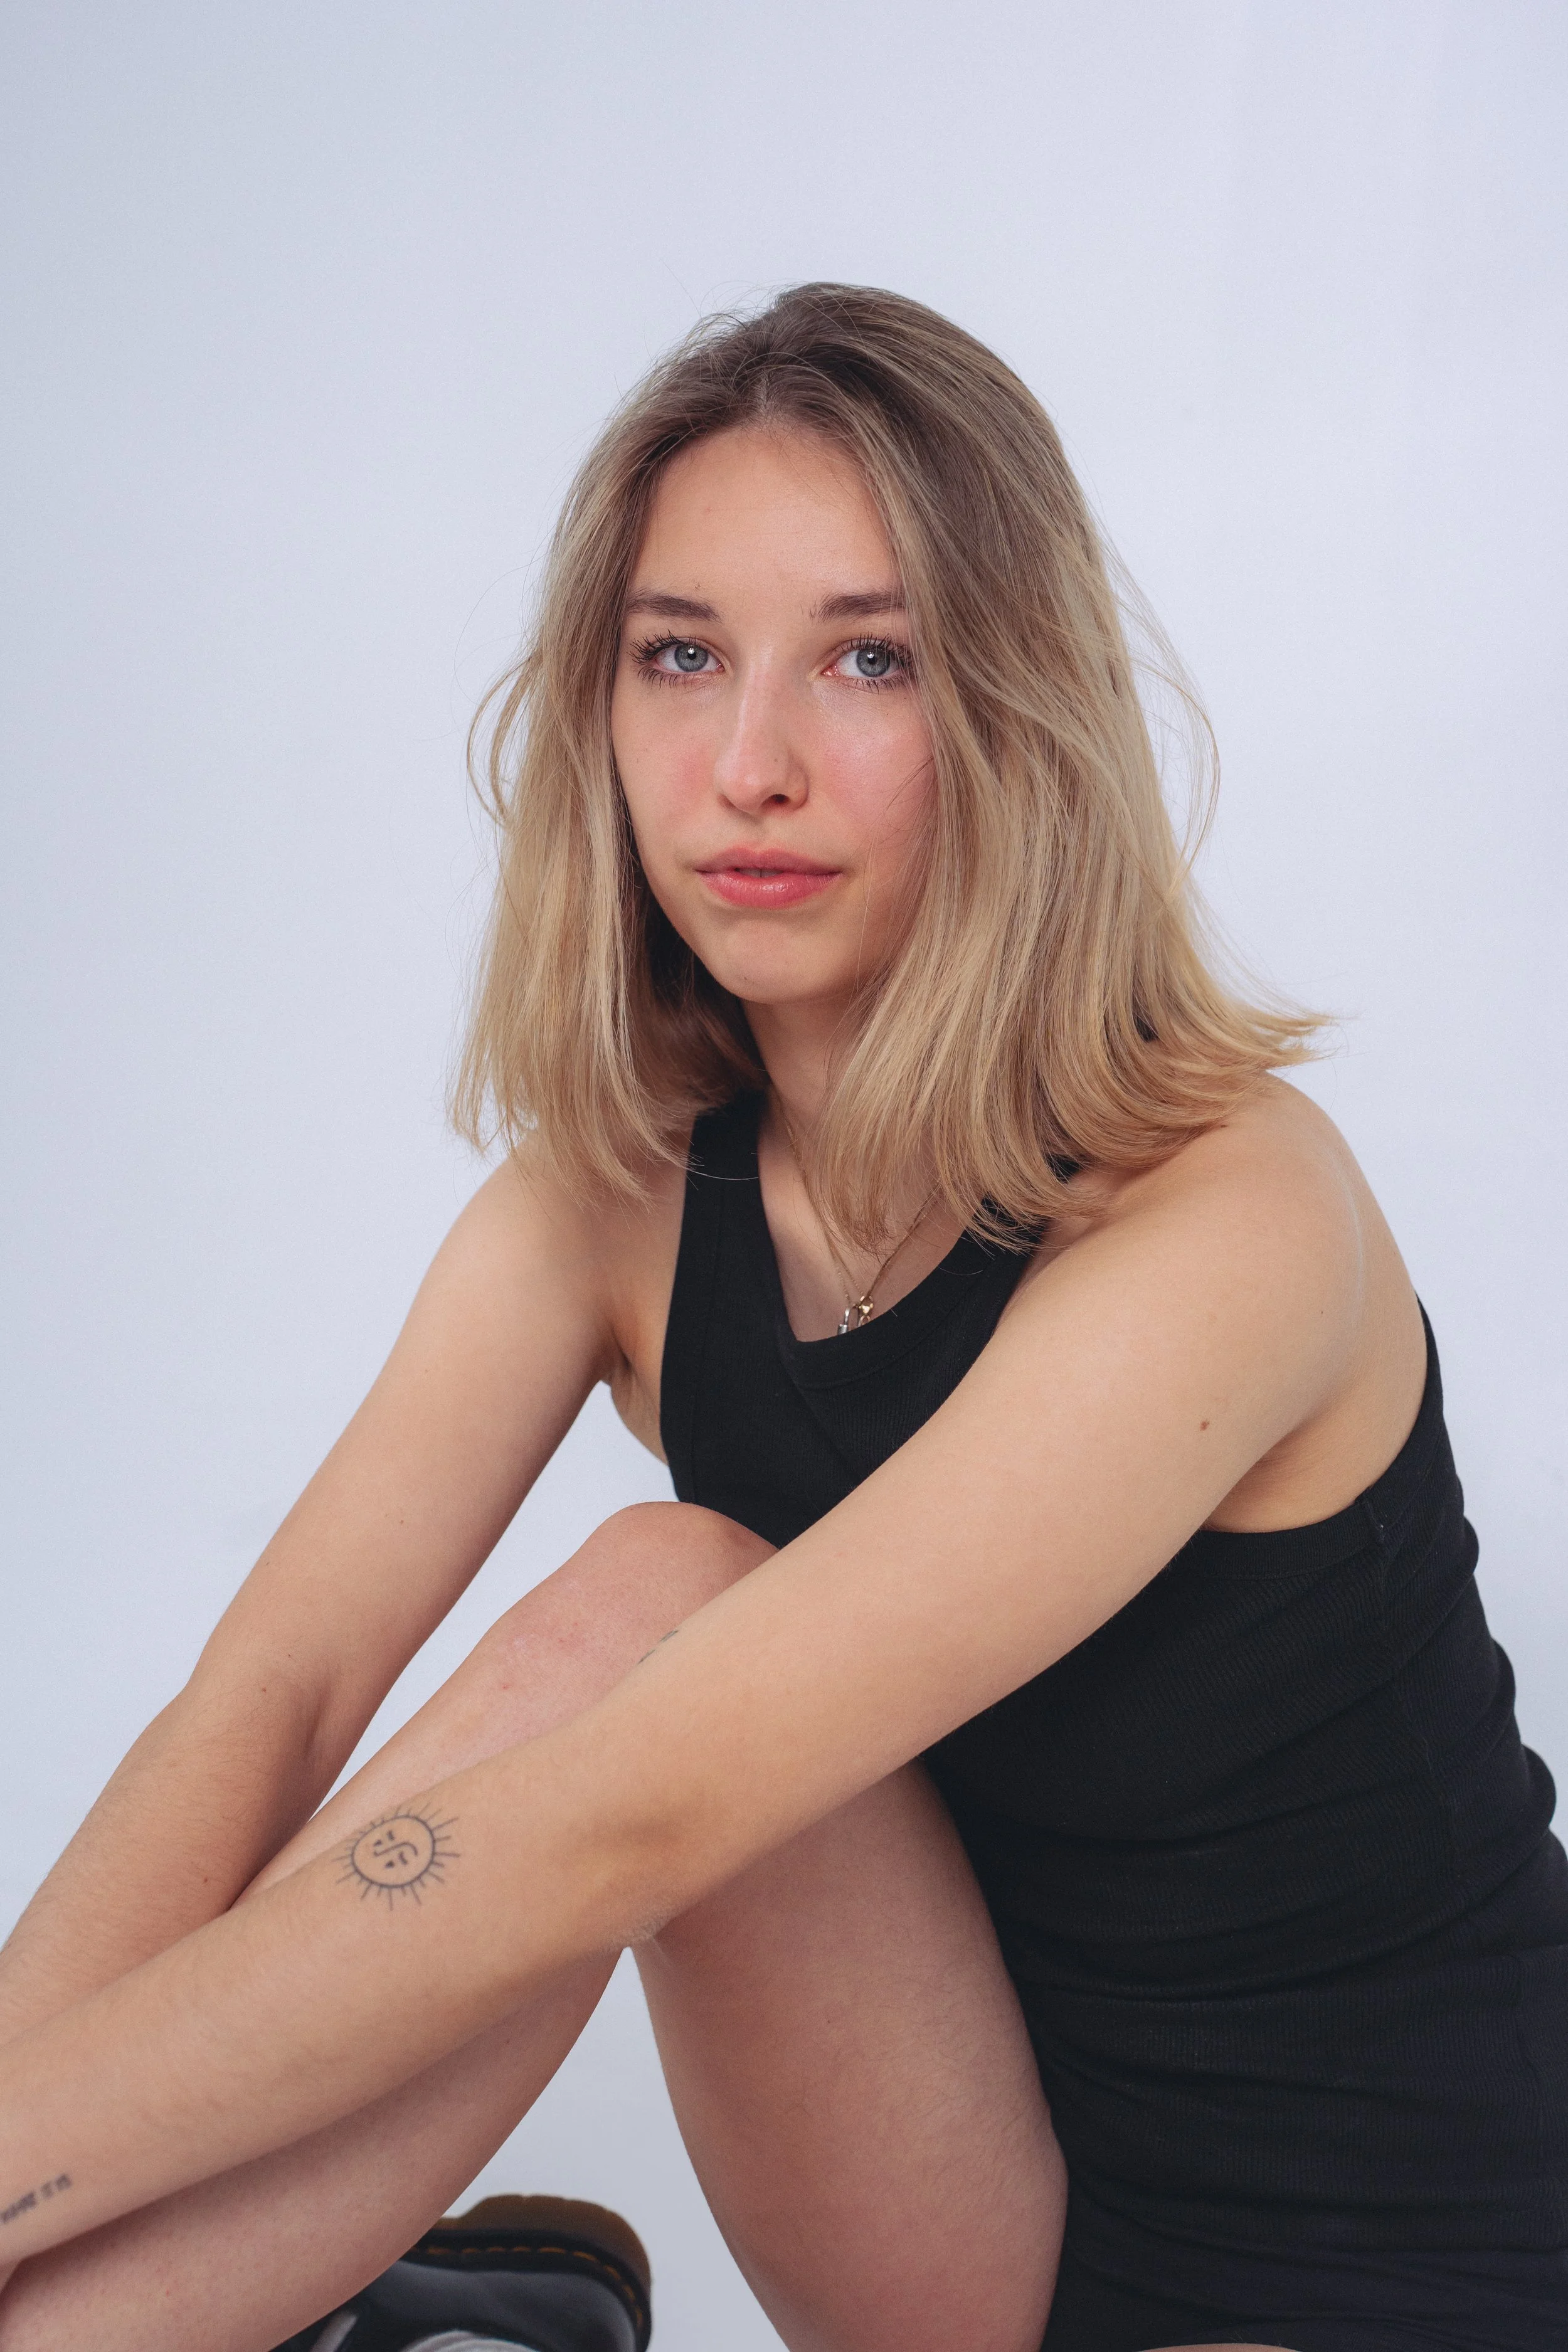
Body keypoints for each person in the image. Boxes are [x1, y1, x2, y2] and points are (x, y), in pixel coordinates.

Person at [0, 282, 1563, 2352]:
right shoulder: (610, 1203)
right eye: (678, 656)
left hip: (1420, 2248)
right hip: (969, 2197)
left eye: (866, 657)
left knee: (650, 1723)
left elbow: (628, 1821)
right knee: (662, 1589)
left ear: (1014, 705)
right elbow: (264, 1699)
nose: (747, 765)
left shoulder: (1226, 1208)